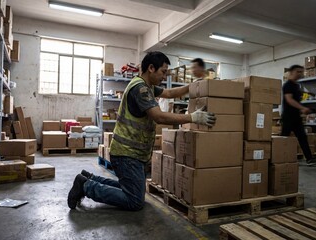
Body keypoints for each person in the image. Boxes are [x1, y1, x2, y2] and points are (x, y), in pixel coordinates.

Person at [67, 52, 216, 210]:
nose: (165, 77)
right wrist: (193, 118)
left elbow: (171, 93)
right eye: (163, 72)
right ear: (151, 68)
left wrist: (194, 86)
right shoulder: (141, 89)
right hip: (127, 154)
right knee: (135, 201)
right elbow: (159, 117)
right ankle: (86, 187)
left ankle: (88, 179)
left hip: (130, 153)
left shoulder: (147, 86)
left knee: (131, 189)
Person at [281, 65, 316, 166]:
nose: (300, 74)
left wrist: (303, 107)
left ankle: (309, 159)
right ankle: (277, 157)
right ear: (291, 72)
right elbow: (289, 100)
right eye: (298, 72)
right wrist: (302, 108)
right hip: (288, 116)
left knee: (302, 137)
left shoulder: (296, 86)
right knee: (283, 138)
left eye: (301, 72)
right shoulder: (287, 85)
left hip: (296, 116)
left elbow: (296, 99)